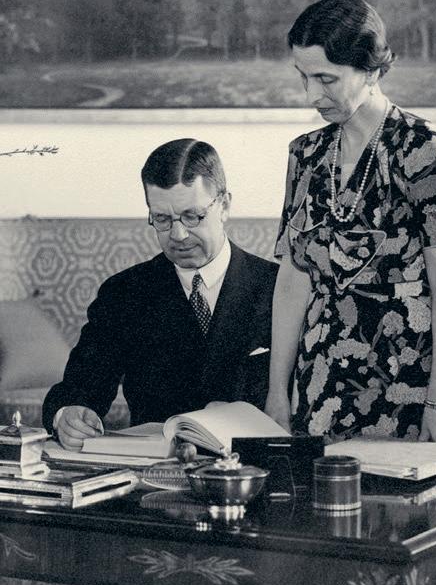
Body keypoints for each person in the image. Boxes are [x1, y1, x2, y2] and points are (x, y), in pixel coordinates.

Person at [265, 0, 436, 443]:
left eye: (326, 79)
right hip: (318, 386)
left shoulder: (424, 149)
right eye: (303, 76)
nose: (311, 95)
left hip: (404, 385)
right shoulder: (305, 154)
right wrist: (277, 393)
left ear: (371, 70)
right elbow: (293, 280)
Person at [43, 139, 278, 450]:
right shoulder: (124, 293)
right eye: (162, 220)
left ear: (224, 206)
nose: (178, 235)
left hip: (253, 468)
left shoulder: (277, 288)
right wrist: (68, 415)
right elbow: (81, 386)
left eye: (192, 216)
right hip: (156, 469)